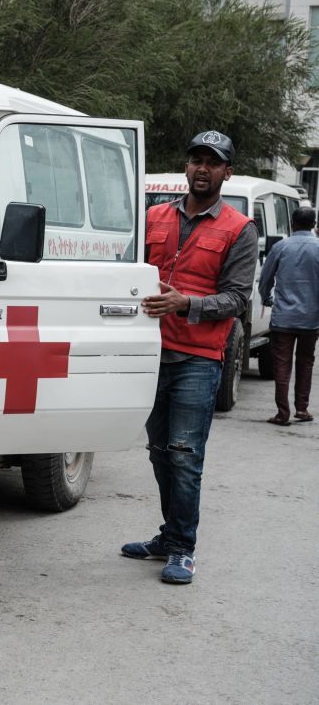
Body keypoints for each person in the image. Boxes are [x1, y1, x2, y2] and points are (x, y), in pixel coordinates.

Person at [122, 130, 258, 584]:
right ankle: (168, 535)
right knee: (159, 452)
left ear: (226, 172)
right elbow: (127, 273)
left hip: (198, 358)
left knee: (184, 453)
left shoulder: (239, 229)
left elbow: (238, 299)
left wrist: (187, 304)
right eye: (196, 160)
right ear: (187, 167)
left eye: (212, 162)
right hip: (148, 352)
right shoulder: (154, 216)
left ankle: (183, 547)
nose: (202, 168)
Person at [258, 205, 319, 425]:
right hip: (311, 320)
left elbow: (266, 279)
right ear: (314, 225)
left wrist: (266, 298)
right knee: (306, 362)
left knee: (282, 366)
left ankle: (282, 414)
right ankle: (301, 409)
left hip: (283, 318)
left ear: (292, 223)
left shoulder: (281, 247)